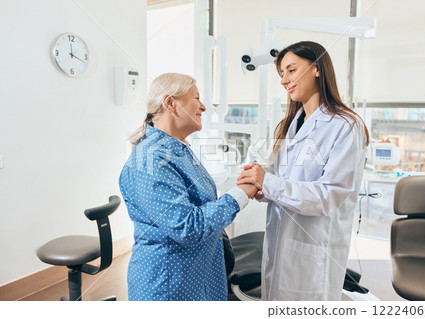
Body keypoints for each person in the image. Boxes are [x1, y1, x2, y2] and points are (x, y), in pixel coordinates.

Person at [237, 41, 369, 301]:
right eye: (282, 74)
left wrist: (269, 182)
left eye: (291, 70)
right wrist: (259, 178)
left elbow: (328, 195)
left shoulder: (344, 125)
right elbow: (280, 172)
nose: (284, 80)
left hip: (314, 246)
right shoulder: (291, 124)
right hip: (280, 239)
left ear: (317, 69)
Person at [119, 73, 258, 301]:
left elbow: (199, 203)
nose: (203, 107)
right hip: (169, 284)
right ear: (170, 103)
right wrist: (241, 194)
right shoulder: (150, 161)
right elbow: (187, 226)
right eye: (196, 98)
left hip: (197, 276)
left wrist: (240, 187)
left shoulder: (177, 149)